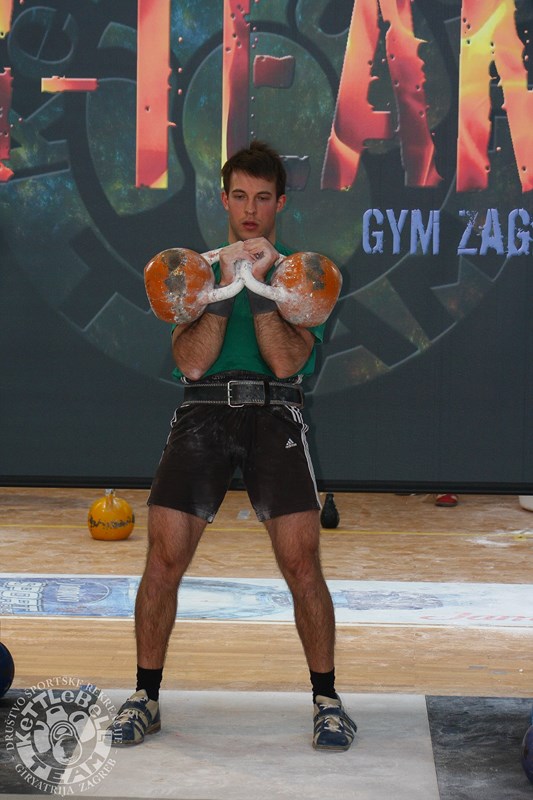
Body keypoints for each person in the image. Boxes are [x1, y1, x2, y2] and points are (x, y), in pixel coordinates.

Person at [109, 141, 356, 751]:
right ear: (223, 199)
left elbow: (287, 361)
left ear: (280, 203)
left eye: (262, 198)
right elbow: (193, 363)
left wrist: (261, 285)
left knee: (301, 563)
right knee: (164, 559)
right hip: (203, 412)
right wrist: (225, 282)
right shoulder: (193, 272)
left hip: (276, 413)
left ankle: (327, 701)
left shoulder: (303, 275)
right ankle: (145, 696)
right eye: (240, 196)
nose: (250, 210)